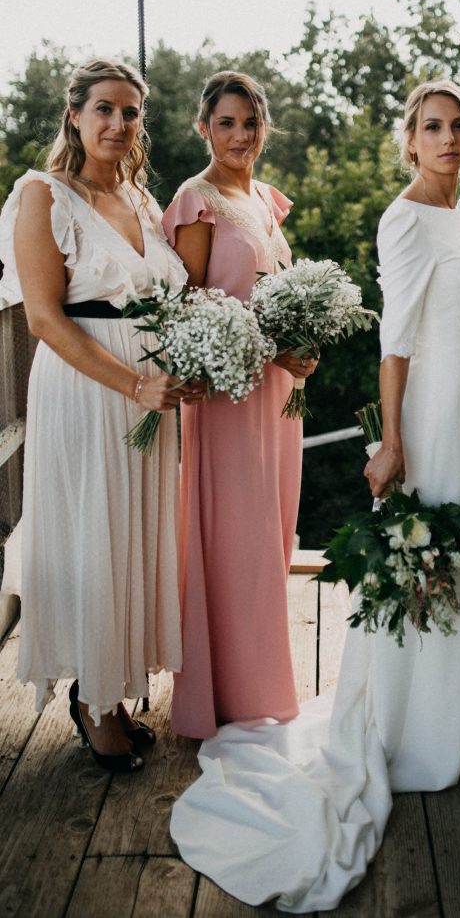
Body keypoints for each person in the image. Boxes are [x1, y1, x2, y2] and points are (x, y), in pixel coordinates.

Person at [169, 80, 460, 911]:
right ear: (410, 141)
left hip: (457, 404)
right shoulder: (405, 216)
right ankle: (415, 725)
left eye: (458, 125)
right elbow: (397, 341)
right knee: (424, 551)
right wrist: (394, 440)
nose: (448, 136)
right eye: (431, 127)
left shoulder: (459, 214)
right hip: (422, 413)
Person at [0, 58, 195, 772]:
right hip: (87, 390)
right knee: (93, 531)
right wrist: (132, 384)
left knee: (134, 534)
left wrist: (183, 360)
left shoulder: (144, 200)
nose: (118, 123)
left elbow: (166, 297)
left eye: (131, 111)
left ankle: (115, 679)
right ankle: (94, 704)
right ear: (75, 116)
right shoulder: (43, 195)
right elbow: (47, 320)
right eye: (103, 109)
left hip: (152, 393)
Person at [163, 70, 316, 739]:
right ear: (203, 126)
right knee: (233, 539)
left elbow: (275, 290)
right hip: (226, 396)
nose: (238, 135)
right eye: (225, 122)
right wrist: (261, 347)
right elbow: (189, 303)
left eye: (249, 123)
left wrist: (302, 341)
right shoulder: (195, 200)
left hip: (278, 394)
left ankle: (258, 681)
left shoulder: (264, 198)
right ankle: (221, 694)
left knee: (270, 537)